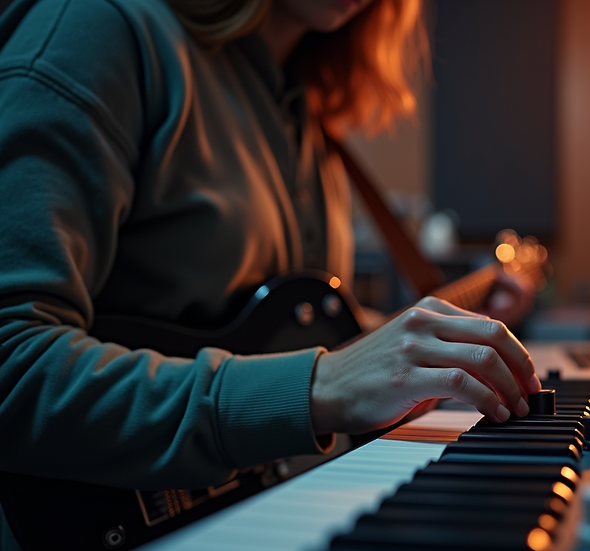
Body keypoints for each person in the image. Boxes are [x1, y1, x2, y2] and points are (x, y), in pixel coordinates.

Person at [0, 0, 539, 547]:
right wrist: (316, 388)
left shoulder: (306, 109)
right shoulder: (96, 29)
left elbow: (306, 334)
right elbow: (11, 366)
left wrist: (442, 339)